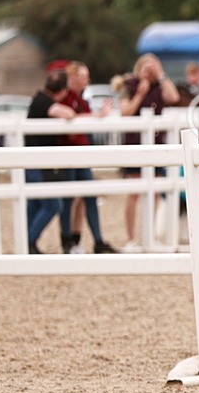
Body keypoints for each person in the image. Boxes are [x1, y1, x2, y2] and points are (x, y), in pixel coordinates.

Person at [119, 53, 180, 251]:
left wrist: (161, 76)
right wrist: (140, 93)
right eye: (146, 68)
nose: (149, 72)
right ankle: (131, 238)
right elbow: (126, 112)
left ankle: (150, 236)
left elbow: (174, 97)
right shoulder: (129, 85)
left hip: (156, 145)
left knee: (155, 193)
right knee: (134, 192)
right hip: (135, 144)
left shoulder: (160, 86)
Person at [59, 61, 117, 253]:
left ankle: (93, 240)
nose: (87, 81)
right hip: (70, 153)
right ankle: (68, 241)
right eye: (84, 76)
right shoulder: (66, 97)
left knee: (88, 196)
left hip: (81, 153)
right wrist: (97, 115)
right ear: (72, 77)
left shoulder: (80, 98)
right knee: (69, 198)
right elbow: (71, 120)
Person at [24, 67, 77, 254]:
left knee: (36, 203)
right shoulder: (44, 101)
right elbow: (67, 113)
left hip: (34, 162)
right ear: (62, 90)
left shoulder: (39, 99)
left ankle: (27, 242)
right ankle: (30, 241)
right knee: (53, 204)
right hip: (36, 163)